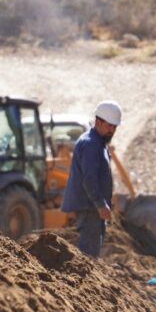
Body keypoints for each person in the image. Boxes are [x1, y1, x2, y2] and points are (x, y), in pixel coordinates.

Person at [60, 100, 122, 257]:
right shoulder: (91, 144)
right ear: (98, 122)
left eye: (114, 127)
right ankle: (82, 280)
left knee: (91, 250)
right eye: (109, 126)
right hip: (90, 207)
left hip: (91, 206)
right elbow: (89, 179)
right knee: (89, 253)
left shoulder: (97, 142)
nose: (112, 131)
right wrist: (101, 204)